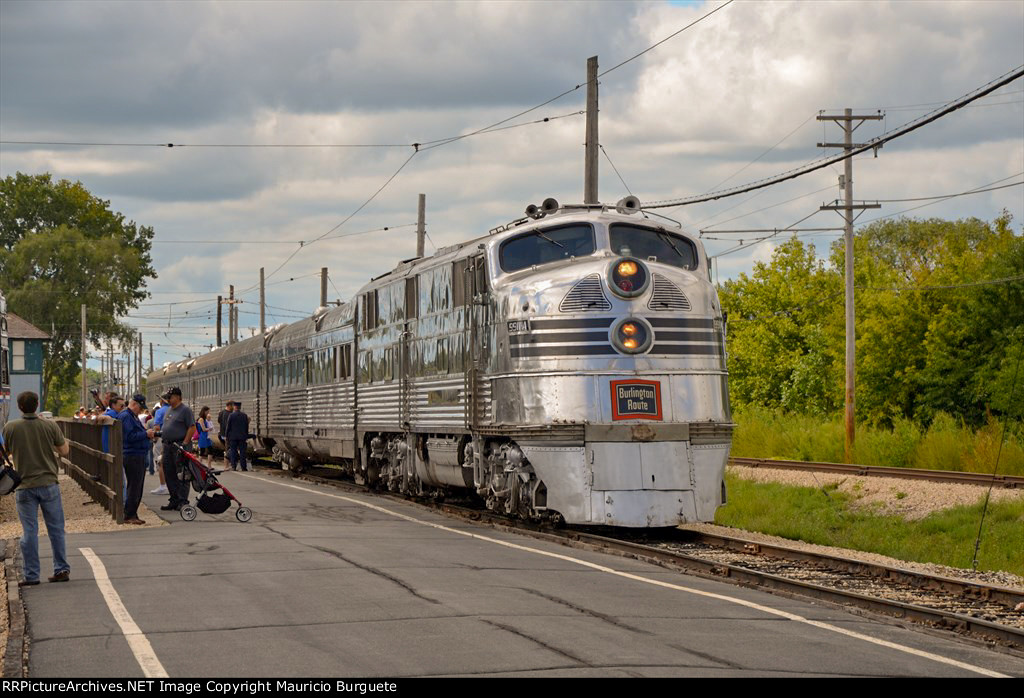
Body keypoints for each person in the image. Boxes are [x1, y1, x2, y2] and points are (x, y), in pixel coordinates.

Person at [1, 391, 71, 586]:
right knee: (56, 529)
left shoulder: (10, 427)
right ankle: (61, 569)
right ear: (37, 404)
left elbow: (4, 451)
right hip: (49, 483)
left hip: (24, 486)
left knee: (29, 531)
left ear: (19, 407)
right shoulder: (50, 425)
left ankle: (31, 575)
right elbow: (63, 450)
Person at [155, 387, 195, 511]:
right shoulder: (169, 410)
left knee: (181, 474)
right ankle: (174, 499)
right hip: (167, 446)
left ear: (178, 397)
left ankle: (183, 501)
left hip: (179, 445)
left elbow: (192, 427)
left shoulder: (185, 410)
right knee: (169, 473)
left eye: (170, 397)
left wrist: (184, 443)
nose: (168, 399)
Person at [118, 394, 156, 525]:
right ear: (134, 404)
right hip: (132, 455)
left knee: (136, 486)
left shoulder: (131, 416)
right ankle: (129, 515)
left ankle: (132, 513)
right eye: (140, 407)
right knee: (134, 486)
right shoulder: (126, 417)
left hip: (136, 454)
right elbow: (129, 436)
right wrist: (145, 434)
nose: (141, 411)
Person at [150, 397, 171, 495]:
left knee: (160, 462)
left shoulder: (160, 411)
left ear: (161, 401)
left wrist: (154, 439)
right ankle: (172, 486)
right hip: (174, 439)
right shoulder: (176, 410)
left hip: (161, 439)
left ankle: (163, 486)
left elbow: (157, 427)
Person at [225, 401, 251, 472]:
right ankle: (243, 467)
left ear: (234, 407)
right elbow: (246, 427)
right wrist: (246, 435)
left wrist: (227, 436)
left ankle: (234, 466)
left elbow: (228, 427)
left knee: (233, 451)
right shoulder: (244, 415)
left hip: (233, 437)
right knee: (243, 452)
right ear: (240, 407)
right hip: (242, 437)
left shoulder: (231, 415)